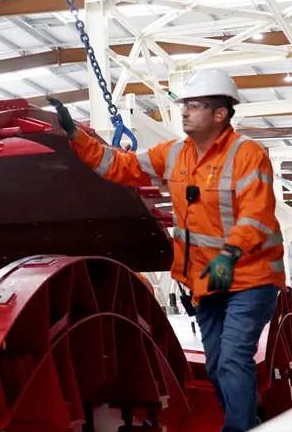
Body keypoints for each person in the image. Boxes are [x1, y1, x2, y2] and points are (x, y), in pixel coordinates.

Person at [48, 68, 284, 432]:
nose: (184, 111)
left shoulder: (247, 154)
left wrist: (230, 254)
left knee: (234, 358)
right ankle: (248, 422)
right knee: (220, 364)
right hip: (206, 282)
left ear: (220, 113)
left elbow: (257, 213)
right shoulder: (173, 154)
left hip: (251, 278)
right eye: (183, 105)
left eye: (193, 105)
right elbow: (119, 166)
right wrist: (75, 134)